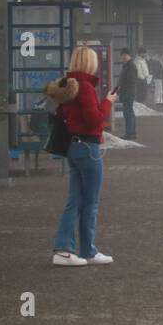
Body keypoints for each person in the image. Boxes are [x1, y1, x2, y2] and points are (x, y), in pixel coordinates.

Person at [46, 46, 114, 266]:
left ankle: (70, 250)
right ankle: (80, 250)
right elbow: (95, 119)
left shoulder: (67, 86)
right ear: (89, 63)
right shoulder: (85, 87)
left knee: (75, 200)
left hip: (73, 147)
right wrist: (108, 103)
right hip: (88, 147)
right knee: (91, 202)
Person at [116, 47, 139, 142]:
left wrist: (120, 88)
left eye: (123, 56)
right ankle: (131, 132)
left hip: (128, 93)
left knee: (128, 113)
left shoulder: (130, 66)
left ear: (126, 55)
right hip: (128, 92)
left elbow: (129, 80)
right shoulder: (127, 65)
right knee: (129, 112)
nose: (122, 58)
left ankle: (130, 133)